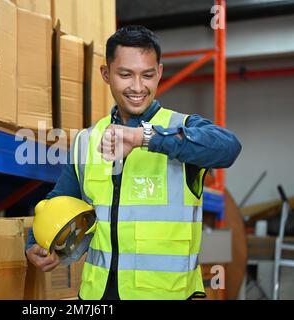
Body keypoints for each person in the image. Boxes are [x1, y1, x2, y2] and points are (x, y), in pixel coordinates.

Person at [26, 25, 242, 300]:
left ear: (159, 73)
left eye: (147, 75)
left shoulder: (180, 128)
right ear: (106, 74)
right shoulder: (86, 140)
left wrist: (146, 137)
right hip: (97, 296)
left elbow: (229, 147)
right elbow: (59, 200)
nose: (138, 87)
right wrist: (39, 244)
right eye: (126, 75)